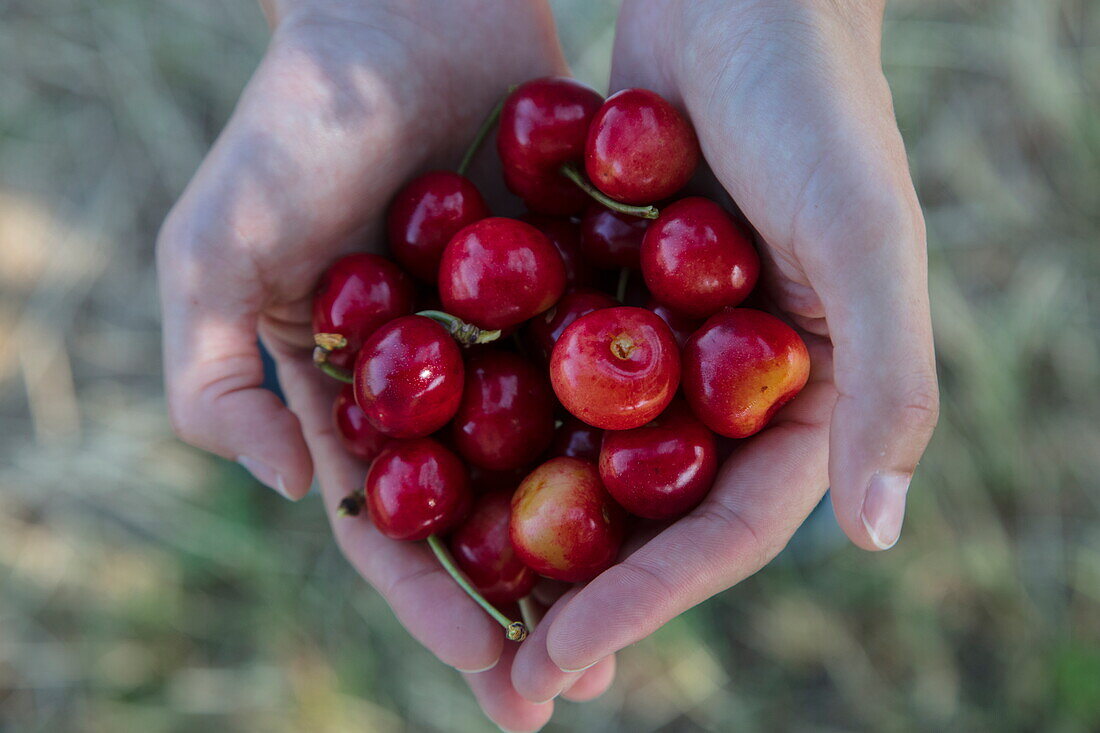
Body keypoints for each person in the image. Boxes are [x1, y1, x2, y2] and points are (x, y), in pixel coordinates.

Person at [156, 1, 939, 729]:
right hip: (395, 323)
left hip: (663, 380)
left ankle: (802, 529)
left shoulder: (645, 291)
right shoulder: (481, 345)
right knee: (322, 344)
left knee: (786, 468)